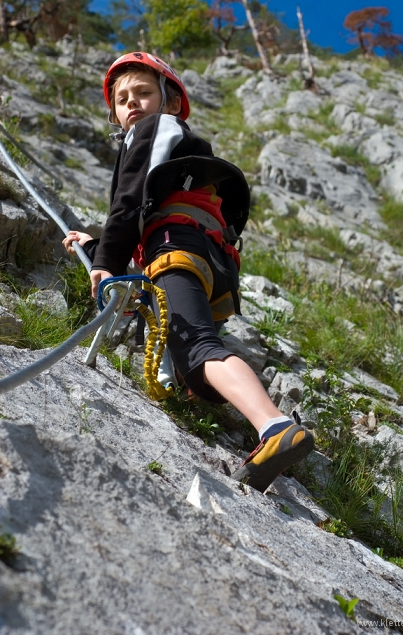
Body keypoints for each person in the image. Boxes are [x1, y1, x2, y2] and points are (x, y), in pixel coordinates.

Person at [63, 51, 313, 492]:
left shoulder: (155, 128)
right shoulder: (174, 142)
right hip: (203, 254)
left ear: (172, 102)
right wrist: (97, 246)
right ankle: (205, 395)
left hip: (175, 247)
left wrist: (104, 264)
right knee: (195, 359)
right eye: (122, 100)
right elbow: (150, 207)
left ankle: (274, 426)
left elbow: (132, 200)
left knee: (197, 345)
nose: (131, 104)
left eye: (142, 92)